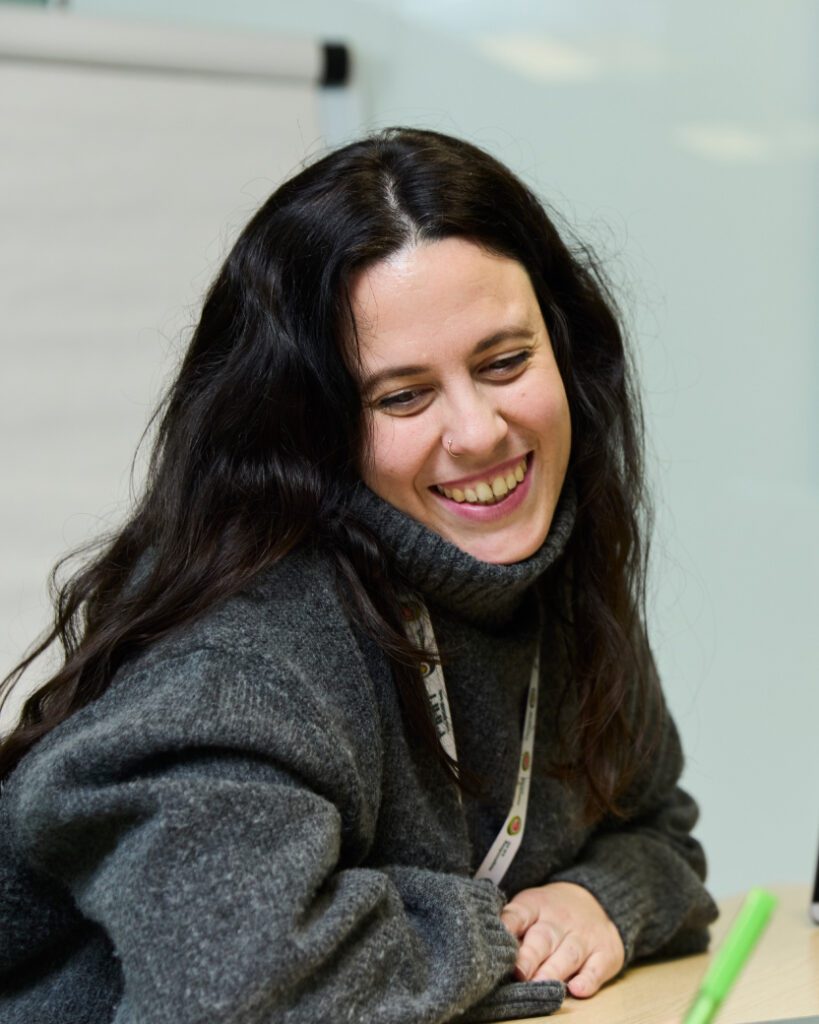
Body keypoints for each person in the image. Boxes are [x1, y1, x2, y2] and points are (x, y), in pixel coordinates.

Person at [0, 127, 717, 1024]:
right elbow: (234, 992)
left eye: (504, 363)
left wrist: (602, 898)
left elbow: (658, 828)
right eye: (403, 396)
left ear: (566, 353)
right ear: (314, 429)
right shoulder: (243, 661)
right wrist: (495, 927)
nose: (479, 431)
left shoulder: (544, 574)